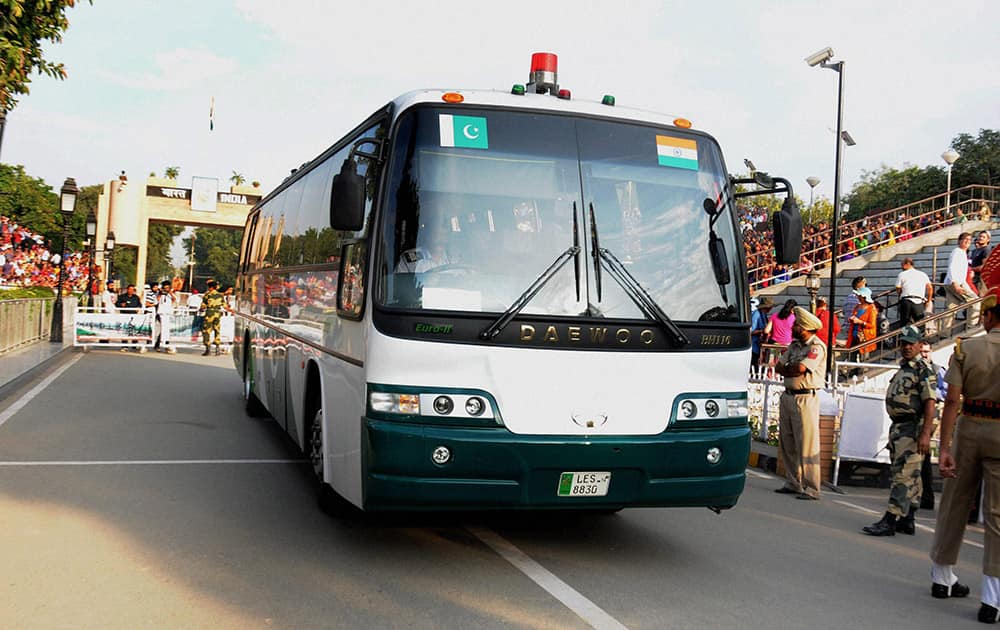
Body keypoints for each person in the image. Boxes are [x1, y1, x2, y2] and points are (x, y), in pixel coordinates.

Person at [928, 282, 1000, 622]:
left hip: (970, 427)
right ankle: (992, 599)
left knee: (955, 502)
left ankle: (942, 578)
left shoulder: (966, 348)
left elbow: (953, 400)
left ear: (987, 316)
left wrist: (944, 447)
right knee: (997, 516)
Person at [862, 326, 937, 536]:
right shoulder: (905, 368)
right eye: (904, 343)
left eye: (910, 344)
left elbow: (930, 402)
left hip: (913, 428)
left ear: (919, 345)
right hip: (900, 427)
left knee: (903, 475)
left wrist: (924, 434)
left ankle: (890, 519)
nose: (906, 347)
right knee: (910, 474)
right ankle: (908, 518)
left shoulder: (923, 370)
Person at [773, 307, 827, 501]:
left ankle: (811, 487)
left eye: (796, 324)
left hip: (805, 397)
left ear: (805, 328)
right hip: (788, 396)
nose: (793, 327)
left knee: (807, 443)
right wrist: (790, 370)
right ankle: (793, 482)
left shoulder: (816, 347)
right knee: (787, 441)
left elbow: (801, 368)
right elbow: (780, 366)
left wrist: (789, 369)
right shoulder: (794, 346)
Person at [920, 340, 947, 511]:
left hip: (932, 412)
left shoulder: (938, 370)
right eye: (922, 351)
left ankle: (926, 496)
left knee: (924, 453)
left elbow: (945, 391)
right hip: (918, 412)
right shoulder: (915, 369)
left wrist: (930, 393)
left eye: (927, 351)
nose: (924, 354)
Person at [941, 232, 976, 334]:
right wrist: (955, 283)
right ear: (959, 241)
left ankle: (945, 333)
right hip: (956, 282)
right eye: (965, 239)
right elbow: (953, 267)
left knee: (951, 308)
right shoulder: (958, 252)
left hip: (952, 282)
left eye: (969, 240)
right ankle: (971, 327)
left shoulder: (962, 253)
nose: (967, 241)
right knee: (975, 302)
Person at [895, 257, 934, 327]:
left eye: (902, 265)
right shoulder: (922, 274)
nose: (901, 267)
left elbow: (898, 289)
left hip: (906, 300)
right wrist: (929, 300)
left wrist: (901, 293)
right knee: (919, 322)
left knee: (904, 322)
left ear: (907, 264)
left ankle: (904, 336)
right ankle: (919, 336)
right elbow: (930, 288)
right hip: (918, 301)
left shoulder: (902, 274)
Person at [847, 287, 878, 358]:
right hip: (854, 335)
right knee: (852, 356)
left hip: (864, 337)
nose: (858, 297)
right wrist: (852, 319)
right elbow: (854, 315)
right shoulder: (857, 306)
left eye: (859, 296)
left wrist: (860, 322)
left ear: (864, 297)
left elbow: (872, 325)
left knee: (864, 358)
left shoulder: (871, 308)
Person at [199, 279, 226, 355]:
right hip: (217, 314)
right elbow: (225, 306)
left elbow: (203, 306)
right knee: (217, 330)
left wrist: (201, 309)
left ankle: (208, 349)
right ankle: (217, 348)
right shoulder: (220, 295)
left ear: (210, 287)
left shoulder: (207, 295)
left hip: (209, 314)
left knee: (206, 331)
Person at [750, 296, 775, 371]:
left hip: (760, 346)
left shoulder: (764, 315)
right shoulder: (756, 314)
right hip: (754, 345)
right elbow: (751, 331)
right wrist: (762, 331)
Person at [155, 280, 177, 353]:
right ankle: (160, 344)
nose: (166, 289)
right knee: (163, 329)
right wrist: (161, 293)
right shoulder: (160, 294)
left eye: (168, 288)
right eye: (165, 288)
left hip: (168, 313)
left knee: (166, 330)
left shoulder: (170, 294)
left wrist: (170, 292)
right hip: (161, 313)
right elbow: (156, 300)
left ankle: (165, 344)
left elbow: (174, 300)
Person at [971, 231, 993, 295]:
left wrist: (971, 269)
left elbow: (984, 267)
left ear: (988, 239)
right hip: (973, 278)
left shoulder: (986, 250)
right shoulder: (974, 251)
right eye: (980, 236)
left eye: (983, 237)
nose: (981, 238)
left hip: (981, 281)